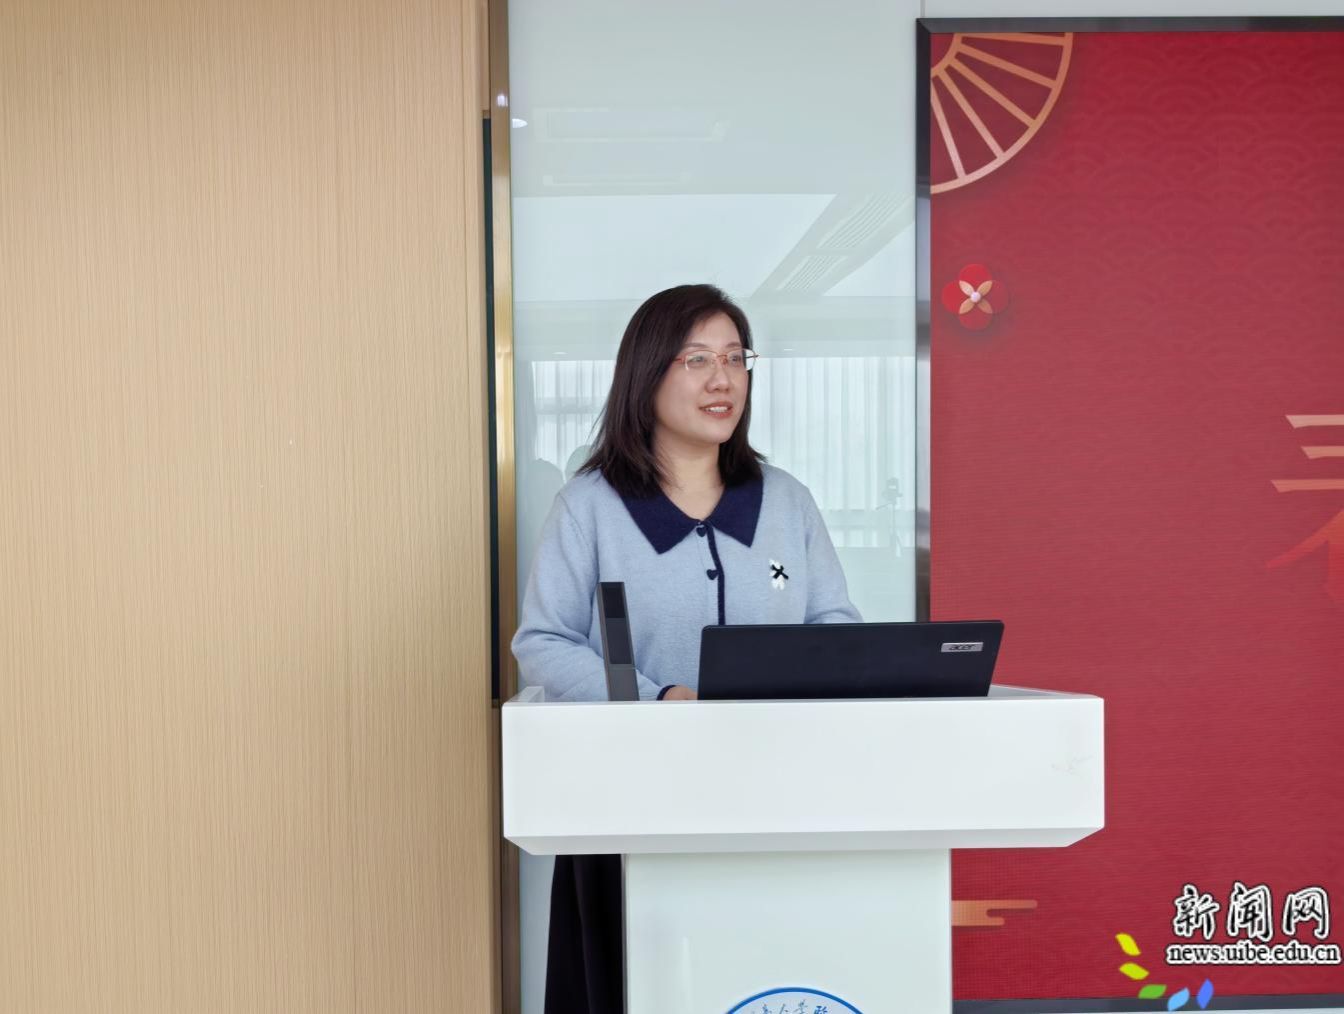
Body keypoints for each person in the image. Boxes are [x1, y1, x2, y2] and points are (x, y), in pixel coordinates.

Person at [511, 283, 861, 1014]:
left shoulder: (786, 501)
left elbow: (834, 623)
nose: (721, 379)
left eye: (735, 358)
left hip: (774, 795)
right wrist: (658, 697)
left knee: (760, 980)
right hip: (629, 799)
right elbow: (543, 641)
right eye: (696, 359)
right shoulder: (591, 506)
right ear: (646, 375)